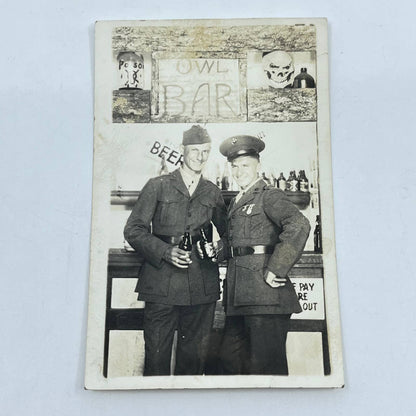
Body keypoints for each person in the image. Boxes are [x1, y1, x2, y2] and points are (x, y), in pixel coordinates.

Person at [124, 125, 226, 376]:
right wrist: (164, 251)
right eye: (195, 151)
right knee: (156, 360)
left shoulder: (212, 191)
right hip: (161, 285)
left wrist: (218, 248)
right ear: (182, 151)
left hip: (201, 286)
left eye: (206, 151)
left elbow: (230, 235)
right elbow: (134, 229)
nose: (200, 157)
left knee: (193, 364)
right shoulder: (157, 185)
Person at [218, 135, 311, 375]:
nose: (239, 172)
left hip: (265, 297)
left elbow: (299, 224)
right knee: (228, 366)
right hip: (240, 298)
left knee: (266, 370)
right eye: (235, 167)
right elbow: (243, 243)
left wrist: (277, 268)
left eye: (245, 165)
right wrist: (218, 249)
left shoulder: (268, 194)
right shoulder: (239, 198)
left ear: (258, 165)